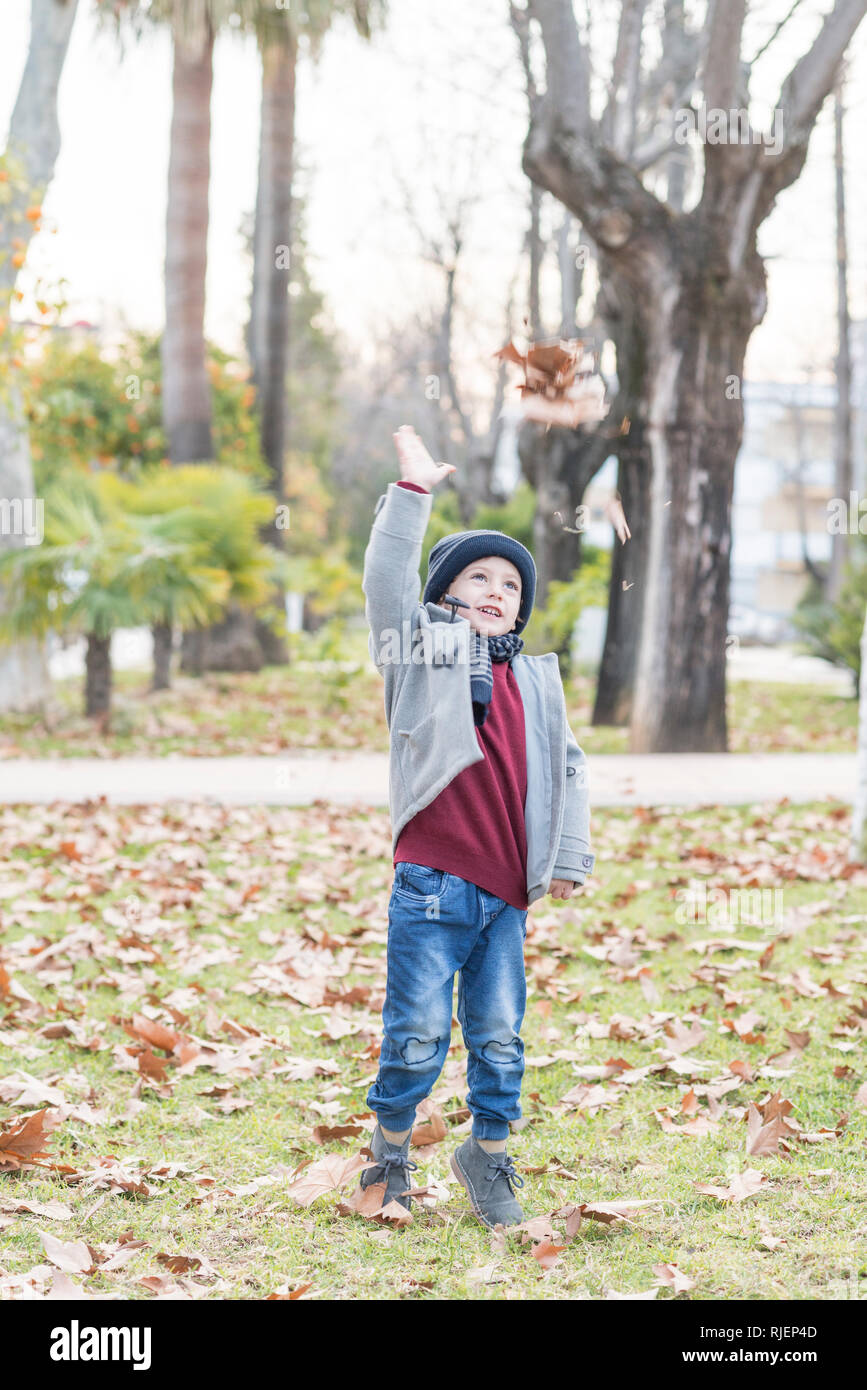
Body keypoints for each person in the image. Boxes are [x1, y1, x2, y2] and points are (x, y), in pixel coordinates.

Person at [355, 424, 595, 1229]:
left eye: (511, 585)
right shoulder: (417, 651)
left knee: (498, 1035)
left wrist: (563, 856)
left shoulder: (534, 680)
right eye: (479, 578)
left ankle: (486, 1158)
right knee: (418, 1032)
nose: (498, 590)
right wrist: (412, 494)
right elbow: (388, 580)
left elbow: (567, 766)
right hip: (431, 881)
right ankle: (389, 1151)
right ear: (445, 595)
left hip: (506, 895)